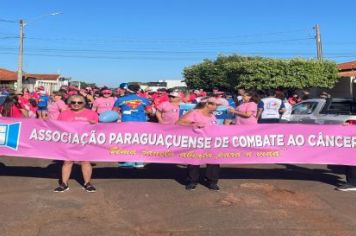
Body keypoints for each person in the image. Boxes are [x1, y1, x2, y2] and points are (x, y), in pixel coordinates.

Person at [54, 95, 99, 193]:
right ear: (70, 103)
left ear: (84, 103)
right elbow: (57, 126)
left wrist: (94, 124)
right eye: (73, 102)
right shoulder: (64, 114)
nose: (76, 104)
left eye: (79, 102)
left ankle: (87, 183)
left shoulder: (91, 113)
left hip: (85, 141)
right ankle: (64, 184)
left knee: (85, 161)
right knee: (67, 162)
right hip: (69, 141)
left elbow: (99, 128)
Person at [177, 97, 220, 191]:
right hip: (196, 142)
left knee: (213, 161)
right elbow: (179, 123)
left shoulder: (212, 115)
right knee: (194, 161)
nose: (216, 106)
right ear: (207, 104)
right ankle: (192, 181)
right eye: (214, 104)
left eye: (217, 105)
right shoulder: (194, 112)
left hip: (211, 142)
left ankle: (212, 182)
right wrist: (193, 125)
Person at [113, 83, 151, 168]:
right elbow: (150, 111)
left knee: (128, 141)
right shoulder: (144, 100)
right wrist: (139, 111)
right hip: (141, 123)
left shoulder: (120, 100)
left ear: (127, 90)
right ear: (138, 90)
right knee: (140, 141)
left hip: (126, 123)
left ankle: (129, 161)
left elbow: (114, 112)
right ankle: (139, 161)